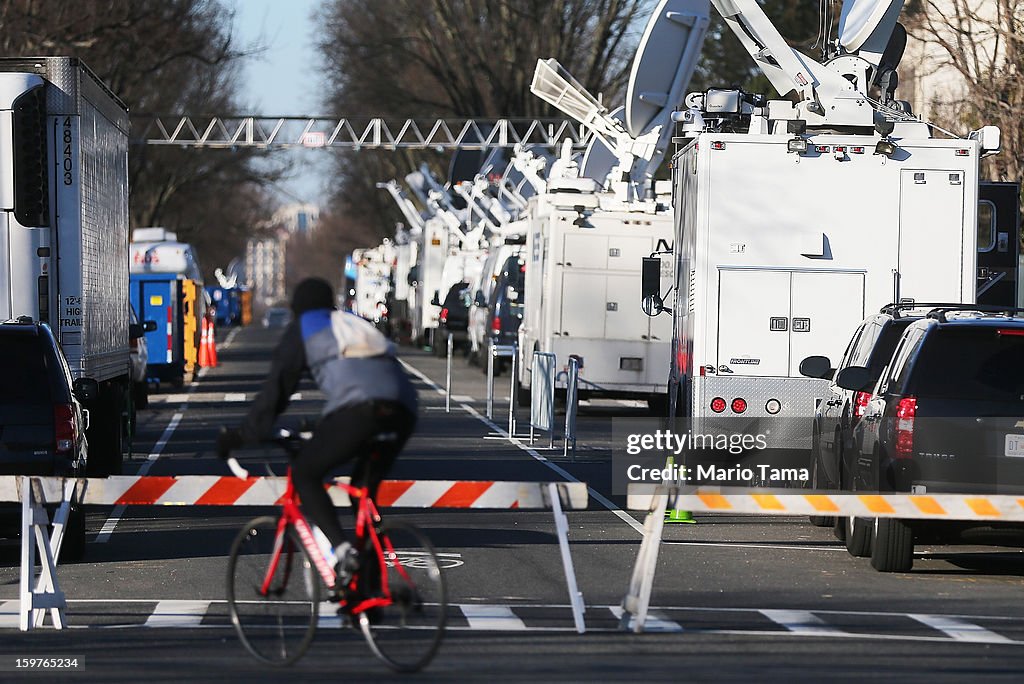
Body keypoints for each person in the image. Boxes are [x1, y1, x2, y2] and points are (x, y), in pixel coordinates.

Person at [216, 277, 418, 587]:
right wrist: (321, 425)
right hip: (404, 408)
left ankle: (344, 550)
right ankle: (367, 586)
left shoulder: (304, 328)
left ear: (298, 309)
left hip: (361, 410)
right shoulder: (352, 322)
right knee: (363, 494)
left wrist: (241, 436)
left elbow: (276, 393)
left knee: (305, 474)